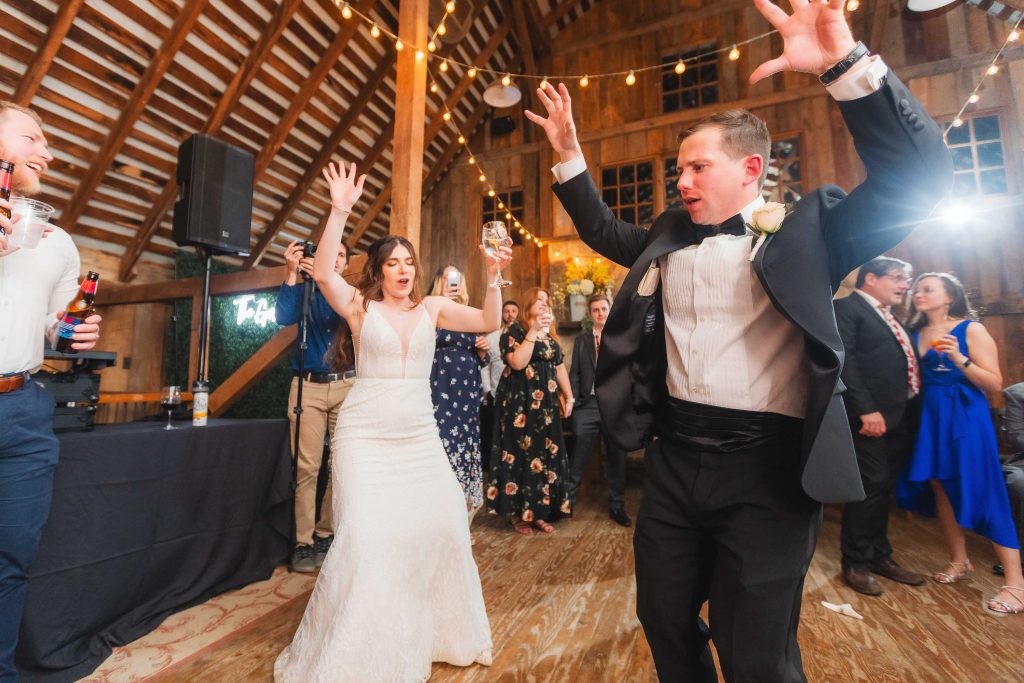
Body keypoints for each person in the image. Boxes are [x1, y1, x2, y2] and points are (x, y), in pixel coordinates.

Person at [525, 0, 952, 678]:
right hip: (673, 461)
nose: (681, 178)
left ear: (751, 170)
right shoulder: (669, 235)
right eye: (680, 168)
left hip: (768, 471)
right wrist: (571, 156)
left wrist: (843, 64)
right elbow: (607, 232)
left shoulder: (813, 229)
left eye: (697, 167)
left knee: (754, 649)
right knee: (662, 617)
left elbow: (916, 179)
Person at [274, 161, 508, 682]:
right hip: (366, 436)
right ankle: (360, 650)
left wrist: (495, 277)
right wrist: (338, 210)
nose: (403, 270)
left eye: (409, 262)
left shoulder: (432, 310)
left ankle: (430, 632)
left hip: (419, 438)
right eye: (393, 263)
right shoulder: (359, 308)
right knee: (368, 536)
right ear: (380, 272)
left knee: (445, 524)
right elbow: (328, 274)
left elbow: (490, 321)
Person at [0, 101, 102, 680]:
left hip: (23, 411)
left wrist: (76, 330)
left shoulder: (60, 243)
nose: (48, 151)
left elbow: (57, 325)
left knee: (10, 562)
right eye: (33, 137)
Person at [896, 273, 1023, 615]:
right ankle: (959, 560)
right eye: (916, 289)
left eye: (927, 289)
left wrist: (960, 359)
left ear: (949, 295)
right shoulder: (914, 332)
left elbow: (995, 383)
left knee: (984, 488)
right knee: (940, 486)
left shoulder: (971, 330)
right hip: (930, 417)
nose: (917, 293)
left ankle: (1015, 583)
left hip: (966, 416)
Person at [834, 257, 924, 595]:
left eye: (907, 278)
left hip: (900, 414)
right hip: (871, 417)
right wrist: (866, 410)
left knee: (884, 487)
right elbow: (847, 361)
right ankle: (855, 561)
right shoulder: (848, 308)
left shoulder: (891, 316)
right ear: (870, 278)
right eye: (899, 277)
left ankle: (879, 556)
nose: (905, 285)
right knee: (870, 485)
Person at [274, 238, 354, 572]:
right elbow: (282, 317)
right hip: (307, 386)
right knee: (307, 468)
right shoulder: (305, 290)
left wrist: (327, 280)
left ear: (346, 264)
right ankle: (303, 543)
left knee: (342, 466)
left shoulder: (348, 292)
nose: (335, 260)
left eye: (341, 255)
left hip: (346, 386)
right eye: (329, 254)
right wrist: (291, 273)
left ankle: (327, 532)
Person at [485, 287, 573, 535]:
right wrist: (534, 330)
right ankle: (518, 515)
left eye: (547, 301)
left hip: (546, 407)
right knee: (519, 455)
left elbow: (559, 366)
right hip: (519, 406)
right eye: (539, 300)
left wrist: (569, 395)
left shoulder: (550, 335)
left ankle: (540, 513)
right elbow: (517, 362)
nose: (545, 305)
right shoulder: (514, 331)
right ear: (528, 305)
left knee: (544, 455)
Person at [428, 265, 487, 515]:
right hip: (439, 387)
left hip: (467, 390)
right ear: (438, 281)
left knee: (465, 444)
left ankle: (461, 518)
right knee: (441, 443)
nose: (451, 282)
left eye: (456, 278)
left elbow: (481, 357)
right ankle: (437, 514)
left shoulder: (468, 314)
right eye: (446, 277)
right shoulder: (429, 309)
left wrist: (481, 349)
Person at [568, 294, 631, 527]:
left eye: (603, 309)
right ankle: (568, 500)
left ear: (610, 310)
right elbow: (574, 372)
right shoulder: (581, 341)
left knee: (617, 457)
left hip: (615, 406)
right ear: (590, 314)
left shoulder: (620, 338)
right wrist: (573, 401)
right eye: (595, 310)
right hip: (588, 405)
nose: (600, 313)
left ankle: (617, 505)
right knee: (578, 453)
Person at [480, 300, 518, 465]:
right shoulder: (491, 337)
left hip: (518, 391)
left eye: (513, 311)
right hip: (496, 391)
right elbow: (484, 366)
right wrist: (487, 390)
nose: (510, 314)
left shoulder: (524, 337)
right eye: (506, 311)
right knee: (497, 433)